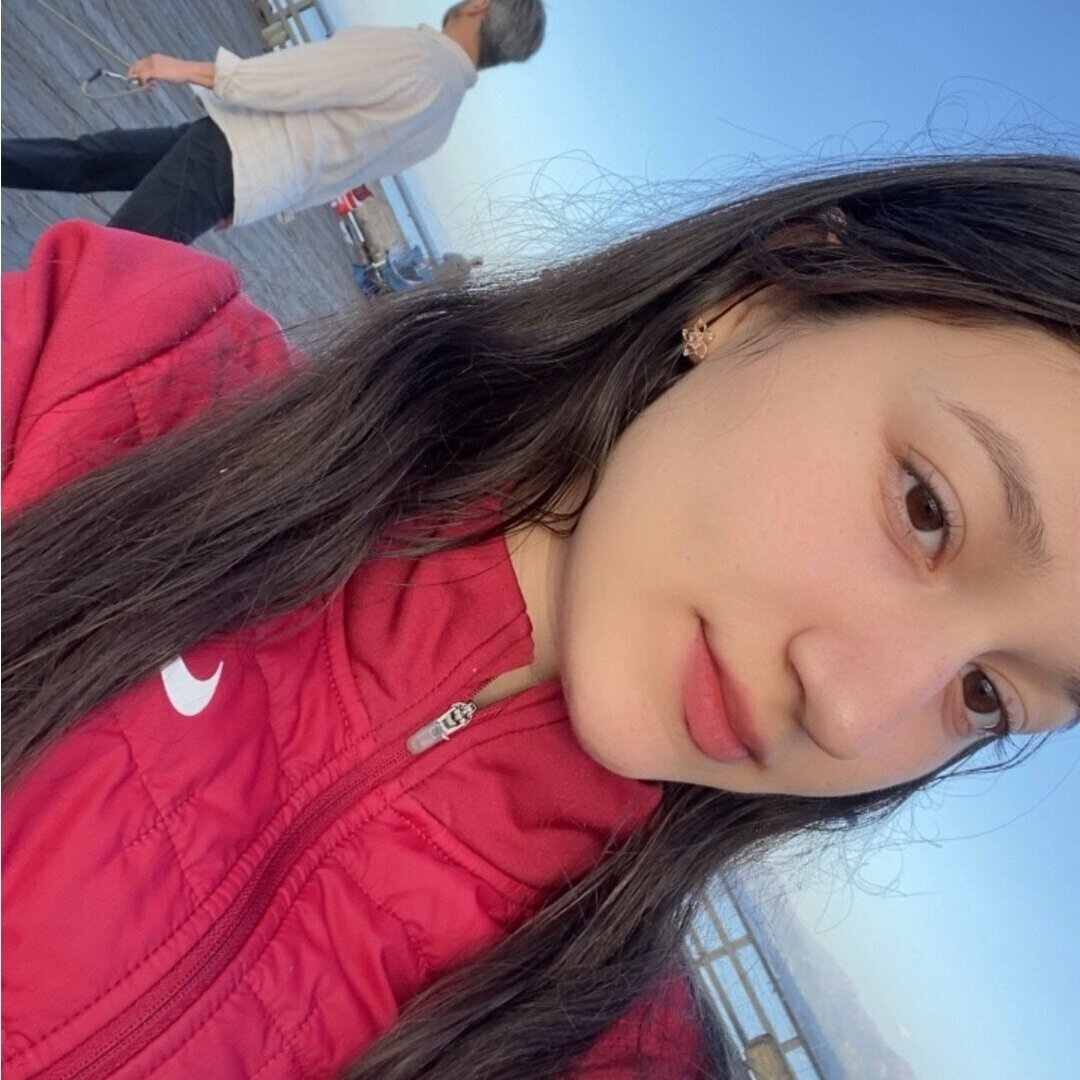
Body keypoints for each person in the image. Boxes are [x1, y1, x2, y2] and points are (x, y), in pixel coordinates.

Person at [2, 154, 1078, 1080]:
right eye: (927, 509)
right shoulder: (116, 369)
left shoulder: (599, 1047)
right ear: (760, 297)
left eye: (986, 694)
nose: (851, 715)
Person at [0, 0, 545, 244]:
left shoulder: (419, 56)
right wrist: (253, 204)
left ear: (480, 6)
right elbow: (338, 176)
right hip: (236, 162)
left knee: (100, 272)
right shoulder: (442, 120)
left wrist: (178, 67)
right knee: (95, 158)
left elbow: (297, 76)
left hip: (229, 157)